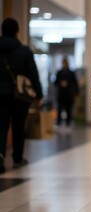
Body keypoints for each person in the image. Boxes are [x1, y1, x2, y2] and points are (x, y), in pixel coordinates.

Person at [0, 18, 43, 173]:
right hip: (20, 96)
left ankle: (0, 154)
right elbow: (33, 74)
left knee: (1, 126)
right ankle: (17, 158)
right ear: (17, 31)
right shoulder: (24, 51)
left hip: (1, 95)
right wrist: (39, 94)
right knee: (19, 127)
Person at [54, 57, 79, 127]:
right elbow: (55, 82)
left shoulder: (71, 73)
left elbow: (75, 83)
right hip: (61, 94)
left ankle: (68, 122)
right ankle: (59, 122)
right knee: (60, 108)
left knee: (69, 109)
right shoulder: (59, 72)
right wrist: (61, 83)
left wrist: (76, 92)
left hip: (68, 94)